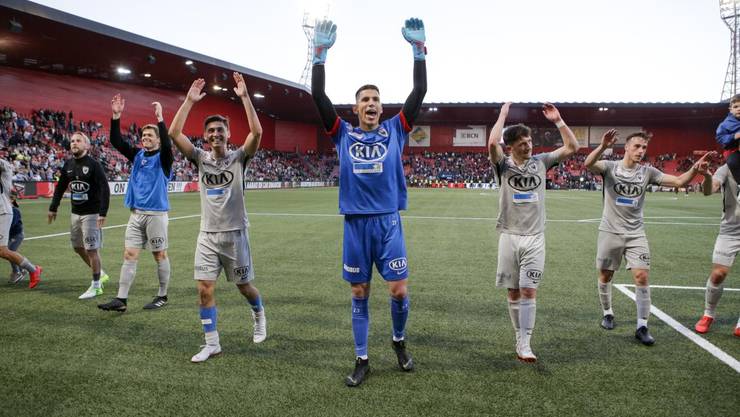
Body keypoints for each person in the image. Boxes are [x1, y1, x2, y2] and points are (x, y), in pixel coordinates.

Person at [311, 18, 427, 386]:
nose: (372, 103)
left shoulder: (397, 129)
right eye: (366, 100)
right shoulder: (342, 134)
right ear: (356, 108)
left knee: (399, 289)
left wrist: (417, 51)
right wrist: (319, 56)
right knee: (359, 291)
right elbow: (318, 98)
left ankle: (398, 341)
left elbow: (419, 91)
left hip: (388, 222)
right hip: (356, 224)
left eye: (376, 99)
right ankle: (362, 359)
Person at [169, 73, 266, 363]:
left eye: (220, 130)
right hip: (207, 236)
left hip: (236, 234)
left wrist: (245, 98)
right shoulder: (199, 157)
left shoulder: (239, 158)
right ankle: (212, 343)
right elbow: (174, 133)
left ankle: (259, 314)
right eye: (210, 130)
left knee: (244, 288)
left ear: (228, 133)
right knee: (203, 289)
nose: (215, 134)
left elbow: (257, 134)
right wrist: (188, 101)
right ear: (206, 135)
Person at [584, 131, 713, 345]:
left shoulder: (648, 172)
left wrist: (695, 168)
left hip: (636, 233)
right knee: (605, 276)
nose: (641, 151)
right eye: (636, 146)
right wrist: (603, 146)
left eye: (644, 148)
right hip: (610, 231)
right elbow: (589, 164)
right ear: (626, 147)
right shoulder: (610, 167)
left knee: (642, 277)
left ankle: (642, 326)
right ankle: (608, 312)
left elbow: (680, 181)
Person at [488, 102, 579, 363]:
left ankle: (525, 342)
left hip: (535, 236)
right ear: (512, 146)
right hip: (509, 235)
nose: (529, 146)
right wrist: (503, 114)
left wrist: (559, 121)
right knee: (513, 292)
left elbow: (572, 148)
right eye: (523, 143)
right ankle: (519, 336)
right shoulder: (502, 165)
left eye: (529, 142)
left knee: (529, 290)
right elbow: (492, 143)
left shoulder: (541, 162)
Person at [98, 96, 173, 312]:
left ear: (158, 140)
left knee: (159, 255)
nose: (145, 137)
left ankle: (162, 295)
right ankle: (121, 300)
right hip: (136, 214)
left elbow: (168, 144)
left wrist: (160, 119)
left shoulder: (165, 158)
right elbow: (116, 141)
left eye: (150, 135)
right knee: (129, 254)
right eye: (144, 135)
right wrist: (116, 115)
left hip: (156, 215)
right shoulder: (138, 156)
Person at [48, 131, 111, 299]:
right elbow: (61, 187)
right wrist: (53, 207)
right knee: (77, 247)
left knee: (92, 250)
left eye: (78, 141)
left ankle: (96, 286)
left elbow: (105, 189)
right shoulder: (68, 164)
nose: (74, 143)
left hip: (91, 214)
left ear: (86, 145)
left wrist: (102, 213)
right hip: (75, 213)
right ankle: (101, 273)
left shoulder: (94, 165)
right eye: (72, 141)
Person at [693, 159, 740, 337]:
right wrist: (706, 175)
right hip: (731, 230)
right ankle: (708, 314)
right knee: (718, 273)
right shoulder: (728, 167)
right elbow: (709, 190)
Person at [0, 159, 42, 288]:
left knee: (3, 250)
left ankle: (33, 270)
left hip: (2, 212)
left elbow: (5, 165)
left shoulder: (4, 171)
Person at [715, 94, 740, 188]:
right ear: (730, 109)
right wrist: (735, 136)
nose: (739, 109)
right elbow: (720, 138)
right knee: (732, 162)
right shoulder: (725, 124)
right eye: (736, 106)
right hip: (734, 152)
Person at [6, 192, 26, 283]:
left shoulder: (14, 210)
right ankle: (22, 269)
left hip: (17, 235)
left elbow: (12, 224)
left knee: (10, 253)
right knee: (10, 253)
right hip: (10, 235)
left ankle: (17, 272)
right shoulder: (6, 209)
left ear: (12, 199)